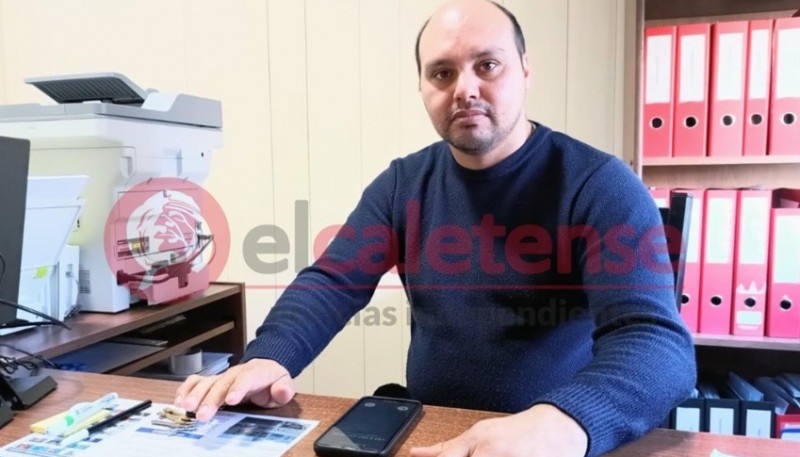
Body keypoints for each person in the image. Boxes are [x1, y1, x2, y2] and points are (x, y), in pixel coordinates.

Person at [175, 1, 697, 456]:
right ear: (423, 86)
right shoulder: (404, 183)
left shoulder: (598, 184)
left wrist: (566, 423)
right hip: (432, 429)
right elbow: (333, 281)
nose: (465, 89)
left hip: (549, 438)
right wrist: (269, 356)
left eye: (487, 65)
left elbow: (655, 344)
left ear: (525, 71)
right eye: (442, 73)